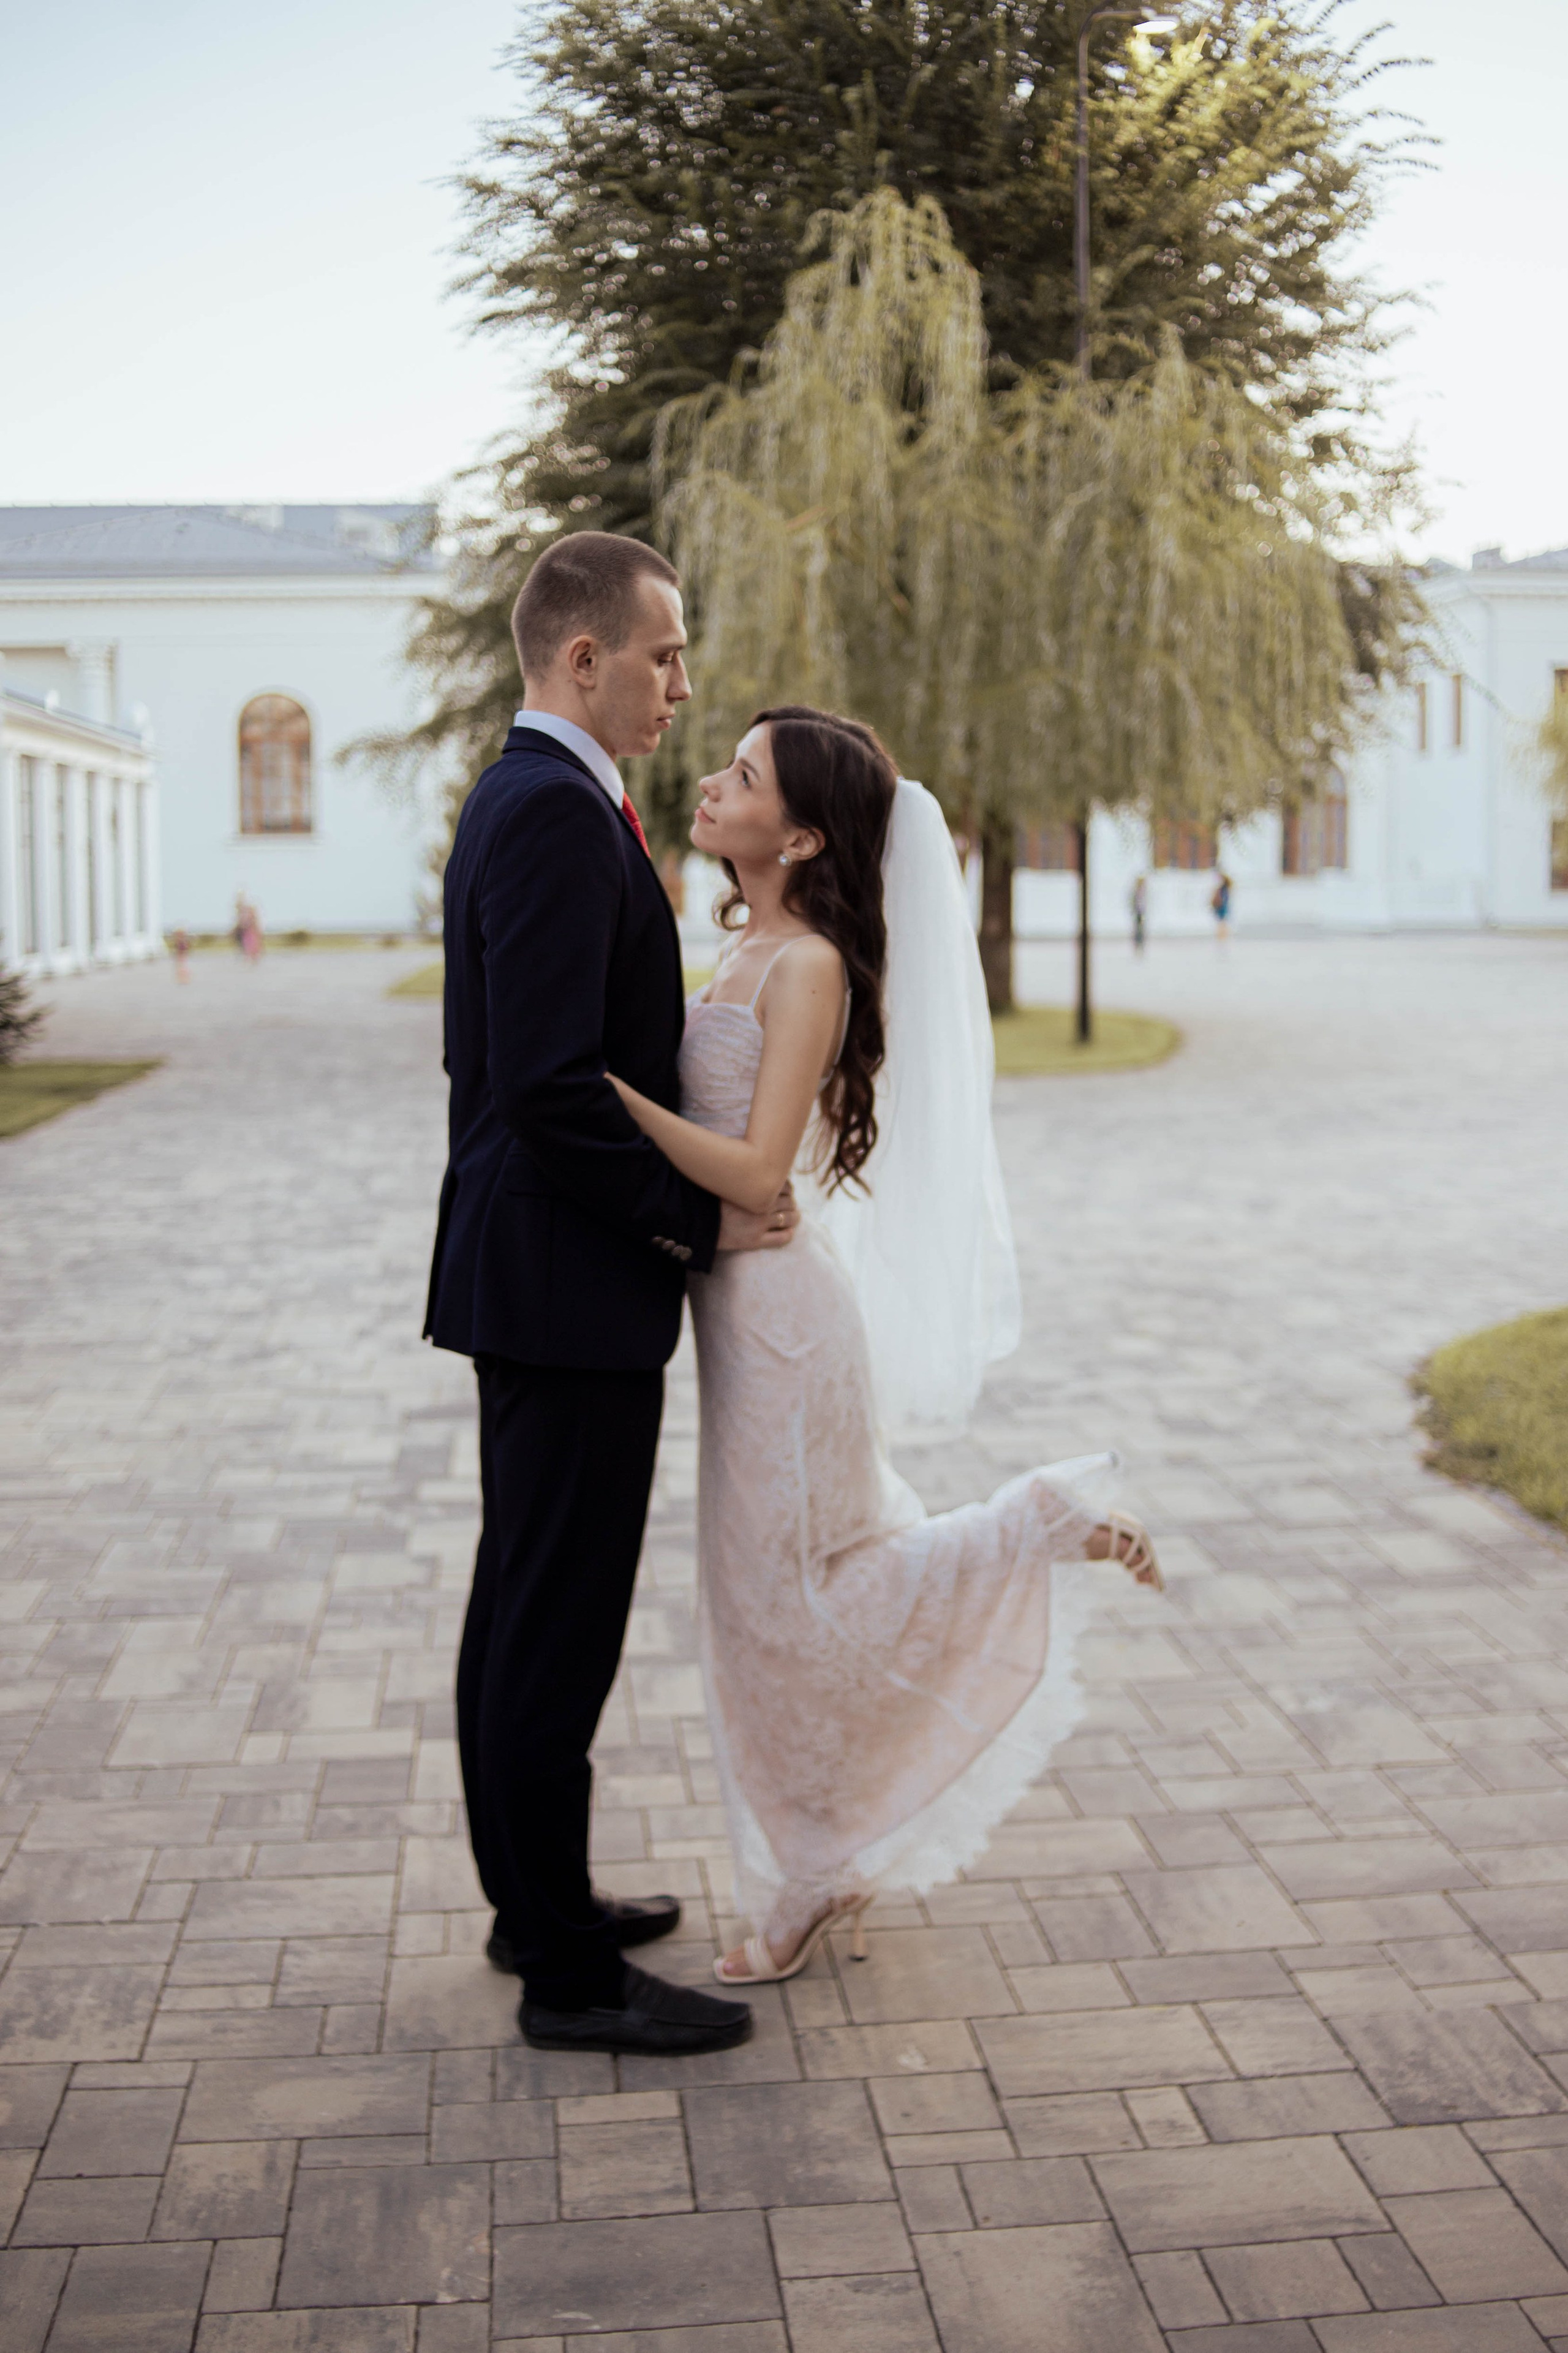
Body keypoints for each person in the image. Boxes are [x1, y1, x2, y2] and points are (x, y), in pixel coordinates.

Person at [608, 707, 1163, 1985]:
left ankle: (1031, 1520)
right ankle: (820, 1857)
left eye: (740, 774)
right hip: (744, 1319)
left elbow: (752, 1173)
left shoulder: (804, 965)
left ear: (799, 835)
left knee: (790, 1601)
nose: (709, 778)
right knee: (760, 1609)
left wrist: (604, 1093)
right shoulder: (747, 942)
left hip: (784, 1330)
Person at [424, 533, 799, 2059]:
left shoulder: (548, 800)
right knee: (552, 1619)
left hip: (540, 1273)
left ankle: (535, 1901)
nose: (682, 683)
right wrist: (690, 1222)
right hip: (566, 1275)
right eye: (666, 654)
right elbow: (545, 1085)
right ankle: (567, 1973)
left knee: (522, 1597)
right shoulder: (546, 815)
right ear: (583, 658)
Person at [1211, 869, 1232, 942]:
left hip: (1221, 906)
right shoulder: (1225, 888)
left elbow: (1224, 899)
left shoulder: (1223, 889)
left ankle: (1222, 935)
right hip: (1222, 906)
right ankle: (1222, 935)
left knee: (1221, 921)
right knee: (1222, 921)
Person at [1130, 873, 1148, 955]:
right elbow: (1133, 902)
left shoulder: (1144, 891)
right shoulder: (1136, 891)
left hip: (1142, 912)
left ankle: (1141, 946)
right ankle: (1137, 946)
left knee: (1141, 930)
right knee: (1138, 930)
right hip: (1138, 913)